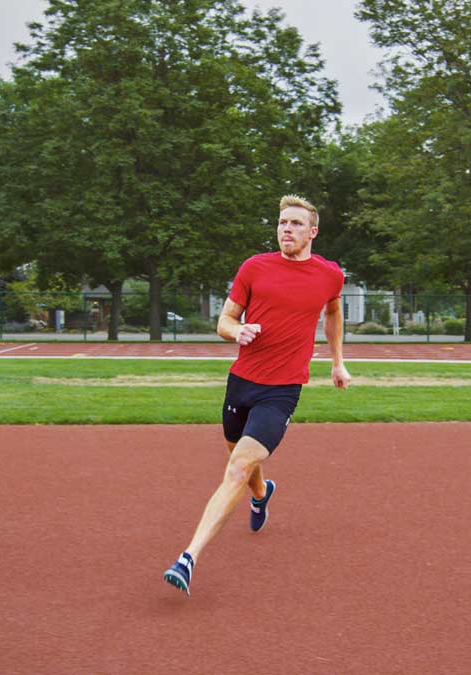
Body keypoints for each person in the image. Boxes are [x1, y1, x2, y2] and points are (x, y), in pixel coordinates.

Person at [163, 194, 351, 596]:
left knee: (237, 466)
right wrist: (238, 331)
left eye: (296, 224)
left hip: (281, 391)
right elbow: (224, 319)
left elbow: (333, 312)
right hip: (242, 381)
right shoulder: (255, 267)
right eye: (283, 222)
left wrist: (337, 362)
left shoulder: (329, 275)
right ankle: (262, 494)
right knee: (238, 455)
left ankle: (188, 557)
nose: (287, 229)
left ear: (312, 232)